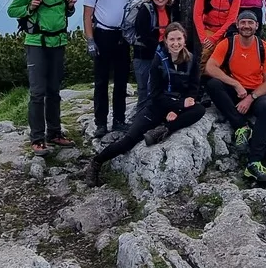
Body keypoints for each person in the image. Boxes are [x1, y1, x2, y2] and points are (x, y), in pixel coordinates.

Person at [84, 23, 206, 186]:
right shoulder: (158, 61)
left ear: (184, 40)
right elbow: (155, 95)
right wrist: (178, 104)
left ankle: (163, 130)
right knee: (128, 141)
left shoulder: (191, 61)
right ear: (165, 41)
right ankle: (96, 162)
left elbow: (193, 91)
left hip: (177, 107)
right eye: (172, 39)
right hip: (156, 107)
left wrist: (177, 109)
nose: (175, 43)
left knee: (199, 109)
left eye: (179, 39)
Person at [7, 0, 79, 156]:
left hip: (58, 41)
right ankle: (37, 138)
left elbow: (66, 12)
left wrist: (71, 6)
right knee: (38, 92)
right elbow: (12, 10)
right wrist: (29, 7)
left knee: (54, 91)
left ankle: (54, 133)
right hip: (36, 42)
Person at [202, 10, 266, 183]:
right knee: (212, 84)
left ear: (257, 26)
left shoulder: (263, 47)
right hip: (235, 90)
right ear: (237, 24)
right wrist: (236, 84)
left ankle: (254, 162)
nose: (247, 26)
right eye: (243, 22)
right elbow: (210, 68)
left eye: (251, 23)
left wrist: (251, 97)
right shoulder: (228, 43)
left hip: (254, 93)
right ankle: (241, 126)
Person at [83, 0, 138, 137]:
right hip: (102, 36)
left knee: (121, 81)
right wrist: (90, 40)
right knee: (101, 82)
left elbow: (134, 8)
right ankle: (100, 123)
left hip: (122, 37)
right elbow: (87, 15)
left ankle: (119, 120)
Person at [130, 0, 177, 109]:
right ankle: (142, 116)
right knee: (144, 88)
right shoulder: (145, 9)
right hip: (144, 55)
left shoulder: (171, 9)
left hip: (162, 53)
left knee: (159, 86)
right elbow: (142, 34)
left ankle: (156, 114)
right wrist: (162, 47)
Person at [194, 0, 241, 75]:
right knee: (205, 53)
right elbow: (197, 15)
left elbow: (231, 19)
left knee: (225, 56)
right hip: (208, 28)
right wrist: (203, 39)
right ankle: (200, 80)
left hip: (225, 31)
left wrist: (214, 39)